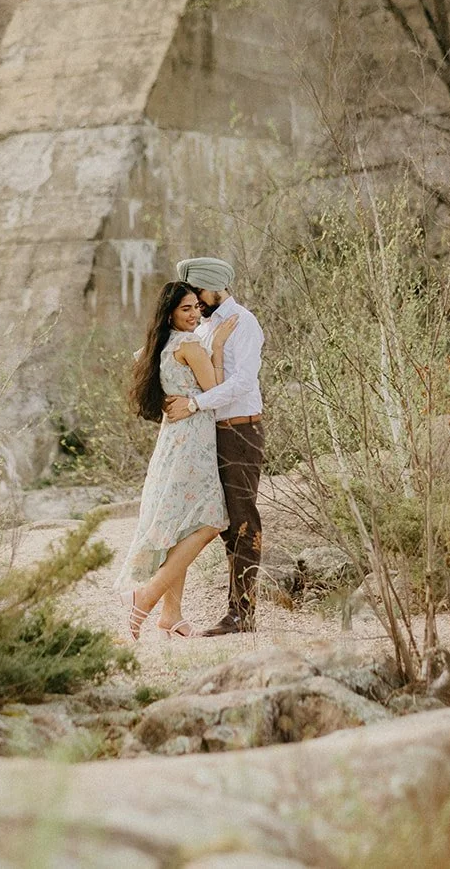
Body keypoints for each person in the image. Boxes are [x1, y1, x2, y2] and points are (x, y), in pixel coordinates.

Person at [117, 281, 239, 639]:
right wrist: (215, 348)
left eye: (196, 308)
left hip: (172, 441)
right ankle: (148, 594)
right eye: (185, 308)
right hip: (192, 446)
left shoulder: (157, 346)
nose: (194, 314)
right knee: (211, 521)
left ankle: (172, 615)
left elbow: (141, 360)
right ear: (170, 311)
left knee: (178, 527)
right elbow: (216, 389)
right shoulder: (189, 345)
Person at [164, 257, 265, 636]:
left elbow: (241, 383)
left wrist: (192, 404)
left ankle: (242, 615)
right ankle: (174, 612)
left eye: (198, 294)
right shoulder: (203, 329)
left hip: (240, 433)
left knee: (242, 520)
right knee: (210, 521)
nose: (195, 302)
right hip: (209, 436)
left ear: (213, 287)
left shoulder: (245, 324)